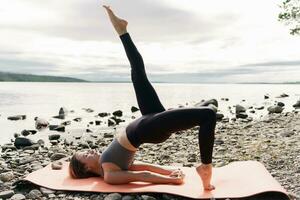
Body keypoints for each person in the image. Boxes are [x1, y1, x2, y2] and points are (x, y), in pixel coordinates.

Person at [69, 5, 217, 191]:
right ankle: (205, 168)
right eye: (84, 155)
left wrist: (169, 170)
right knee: (208, 115)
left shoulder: (110, 162)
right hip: (150, 128)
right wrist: (172, 181)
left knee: (138, 72)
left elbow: (144, 166)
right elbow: (142, 176)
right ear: (85, 167)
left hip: (149, 117)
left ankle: (122, 31)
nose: (89, 150)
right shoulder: (109, 175)